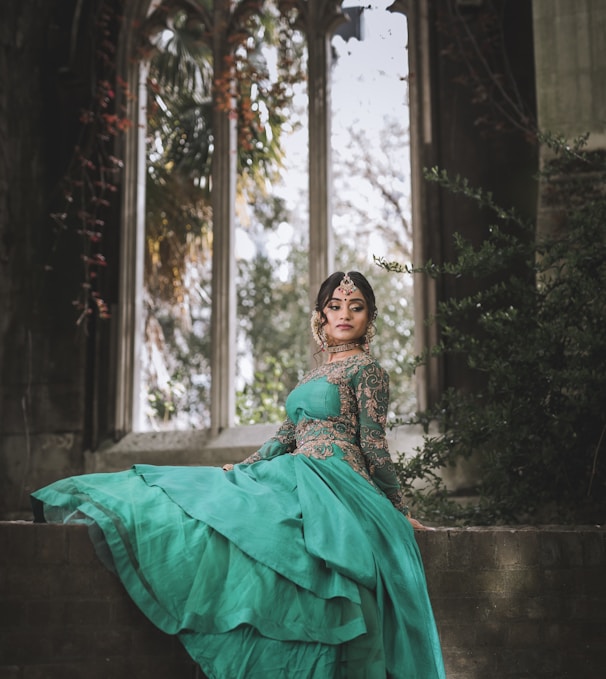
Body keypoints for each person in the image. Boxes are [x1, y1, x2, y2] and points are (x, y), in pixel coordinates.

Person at [31, 271, 446, 679]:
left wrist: (395, 508)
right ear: (320, 315)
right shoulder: (313, 374)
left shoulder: (367, 370)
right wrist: (246, 466)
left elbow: (374, 444)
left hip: (338, 475)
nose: (344, 314)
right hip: (296, 466)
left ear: (369, 317)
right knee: (216, 496)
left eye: (355, 307)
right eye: (334, 306)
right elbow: (286, 435)